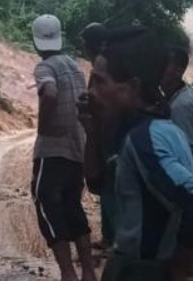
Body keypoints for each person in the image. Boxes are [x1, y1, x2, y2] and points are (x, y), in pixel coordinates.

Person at [85, 27, 193, 281]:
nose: (91, 92)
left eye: (100, 81)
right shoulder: (147, 129)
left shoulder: (145, 139)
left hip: (143, 270)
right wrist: (92, 130)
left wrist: (178, 269)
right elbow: (98, 184)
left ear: (132, 87)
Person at [30, 14, 97, 281]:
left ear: (36, 41)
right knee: (73, 206)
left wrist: (43, 126)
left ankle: (68, 273)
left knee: (46, 202)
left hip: (52, 152)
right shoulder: (74, 66)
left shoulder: (44, 67)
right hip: (77, 150)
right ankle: (89, 272)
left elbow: (49, 92)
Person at [80, 22, 117, 251]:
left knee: (110, 184)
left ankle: (114, 238)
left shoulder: (104, 67)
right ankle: (109, 236)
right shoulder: (107, 63)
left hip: (107, 133)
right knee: (106, 186)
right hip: (105, 132)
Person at [161, 42, 193, 180]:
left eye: (164, 65)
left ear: (178, 71)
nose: (158, 69)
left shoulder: (181, 106)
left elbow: (184, 154)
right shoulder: (183, 95)